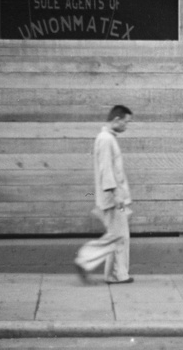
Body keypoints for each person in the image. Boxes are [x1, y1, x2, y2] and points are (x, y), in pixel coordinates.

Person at [74, 105, 134, 284]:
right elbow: (106, 169)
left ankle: (116, 275)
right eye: (126, 122)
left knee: (120, 236)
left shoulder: (107, 138)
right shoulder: (106, 139)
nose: (126, 126)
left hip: (114, 196)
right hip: (113, 198)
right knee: (118, 235)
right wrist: (116, 194)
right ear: (116, 119)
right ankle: (85, 259)